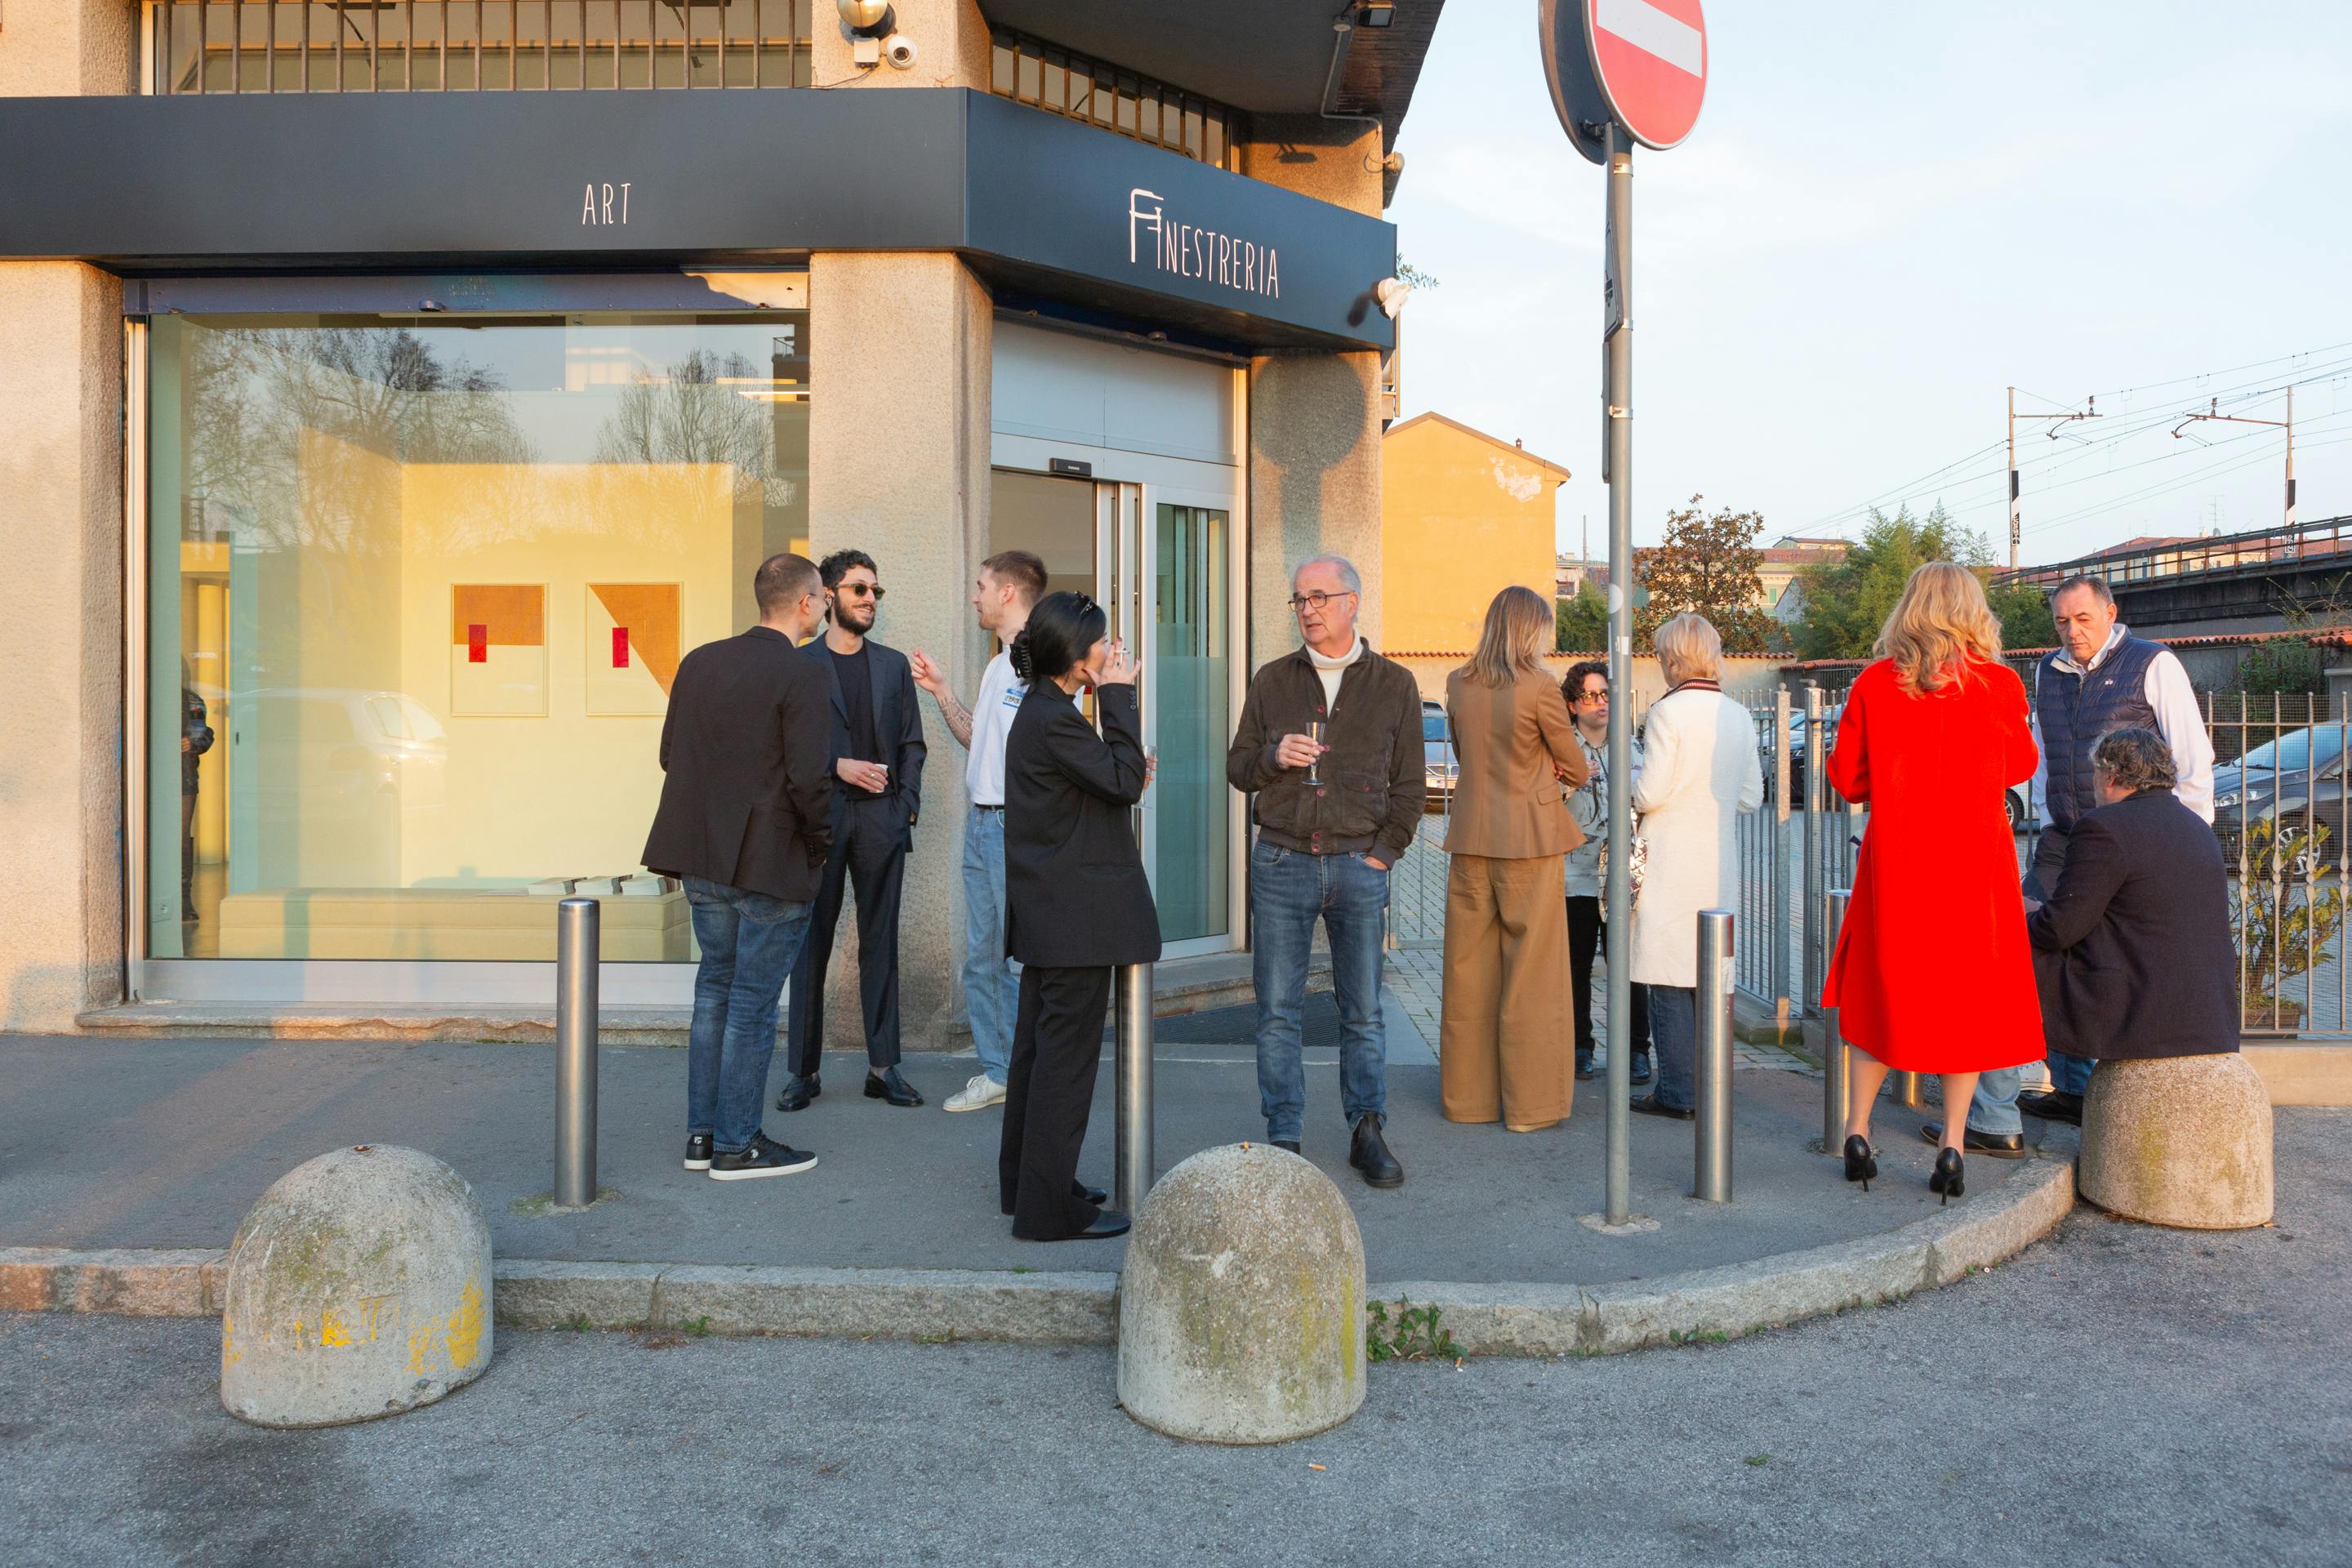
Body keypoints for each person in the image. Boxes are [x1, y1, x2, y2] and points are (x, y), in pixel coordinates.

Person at [1945, 573, 2215, 1143]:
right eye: (2062, 622)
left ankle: (2075, 1091)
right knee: (2012, 946)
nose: (2072, 632)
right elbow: (2043, 754)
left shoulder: (2154, 663)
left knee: (2092, 950)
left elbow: (2193, 759)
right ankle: (2020, 1106)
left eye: (2083, 619)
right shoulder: (2048, 671)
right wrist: (2048, 816)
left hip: (2132, 840)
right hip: (2065, 837)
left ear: (2111, 613)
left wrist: (2187, 843)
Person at [1821, 563, 2045, 1205]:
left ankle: (1857, 1130)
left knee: (1879, 991)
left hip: (1898, 862)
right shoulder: (1999, 684)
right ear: (1974, 611)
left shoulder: (1875, 682)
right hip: (1975, 865)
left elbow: (1847, 778)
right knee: (1964, 1001)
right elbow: (2023, 763)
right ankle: (1951, 1143)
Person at [1226, 554, 1423, 1187]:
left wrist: (1383, 854)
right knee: (1277, 1010)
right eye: (1299, 599)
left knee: (1362, 1010)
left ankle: (1367, 1129)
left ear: (1351, 602)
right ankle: (1284, 1136)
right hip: (1282, 860)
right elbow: (1238, 768)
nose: (1307, 610)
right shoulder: (1273, 680)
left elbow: (1411, 786)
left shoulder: (1393, 684)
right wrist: (1272, 755)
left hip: (1359, 866)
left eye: (1318, 597)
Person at [641, 551, 835, 1181]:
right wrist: (821, 842)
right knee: (751, 1002)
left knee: (714, 993)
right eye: (823, 597)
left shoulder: (699, 661)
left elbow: (670, 754)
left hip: (702, 858)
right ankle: (738, 1144)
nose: (826, 607)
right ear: (804, 603)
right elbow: (810, 780)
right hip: (769, 865)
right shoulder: (803, 673)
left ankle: (703, 1136)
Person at [1000, 592, 1159, 1241]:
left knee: (1039, 1057)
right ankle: (1046, 1212)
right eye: (1101, 642)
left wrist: (1125, 766)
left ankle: (1029, 1186)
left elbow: (1101, 786)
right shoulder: (1055, 718)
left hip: (1054, 912)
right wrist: (1118, 697)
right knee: (1063, 1066)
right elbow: (1121, 782)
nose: (1111, 651)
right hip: (1073, 918)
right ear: (1075, 655)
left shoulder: (1046, 712)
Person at [780, 549, 929, 1112]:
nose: (870, 599)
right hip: (818, 820)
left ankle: (883, 1068)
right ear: (829, 594)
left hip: (880, 822)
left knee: (880, 944)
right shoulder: (800, 663)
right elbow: (783, 748)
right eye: (860, 589)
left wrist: (905, 807)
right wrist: (836, 766)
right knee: (809, 946)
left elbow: (912, 742)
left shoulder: (892, 666)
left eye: (875, 591)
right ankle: (804, 1071)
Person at [1438, 586, 1588, 1132]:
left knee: (1467, 975)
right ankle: (1531, 1107)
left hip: (1471, 840)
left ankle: (1468, 1103)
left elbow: (1464, 753)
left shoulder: (1458, 682)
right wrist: (1548, 769)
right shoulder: (1541, 686)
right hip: (1529, 842)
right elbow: (1577, 767)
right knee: (1534, 977)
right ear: (1530, 629)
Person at [908, 550, 1050, 1115]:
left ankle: (1021, 1073)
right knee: (984, 959)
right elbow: (978, 740)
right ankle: (1002, 1071)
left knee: (1014, 959)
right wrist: (942, 691)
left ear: (1008, 592)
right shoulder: (998, 666)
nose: (975, 596)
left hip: (1014, 825)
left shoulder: (1044, 664)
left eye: (982, 586)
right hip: (982, 823)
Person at [2027, 727, 2238, 1071]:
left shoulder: (2103, 826)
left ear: (2110, 776)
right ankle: (2067, 1086)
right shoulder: (2196, 825)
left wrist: (2030, 913)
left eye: (2094, 774)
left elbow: (2060, 930)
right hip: (2207, 1015)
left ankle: (1998, 1100)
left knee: (2008, 950)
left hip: (2138, 1010)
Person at [1628, 614, 1764, 1120]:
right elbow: (1751, 797)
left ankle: (1677, 1092)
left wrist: (1628, 782)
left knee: (1665, 973)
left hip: (1669, 859)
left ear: (1673, 659)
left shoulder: (1667, 712)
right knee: (1708, 976)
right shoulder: (1738, 714)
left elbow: (1650, 793)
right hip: (1717, 861)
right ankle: (1710, 1088)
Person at [1560, 659, 1651, 1087]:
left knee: (1627, 967)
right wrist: (1568, 782)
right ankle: (1580, 1045)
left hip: (1621, 876)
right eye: (1590, 695)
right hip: (1575, 873)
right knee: (1575, 966)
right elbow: (1542, 799)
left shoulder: (1630, 746)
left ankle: (1636, 1050)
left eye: (1606, 694)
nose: (1601, 703)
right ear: (1573, 704)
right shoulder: (1561, 748)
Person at [180, 667, 214, 920]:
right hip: (148, 774)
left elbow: (203, 735)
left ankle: (183, 899)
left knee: (180, 836)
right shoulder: (143, 694)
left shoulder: (191, 700)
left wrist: (191, 743)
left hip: (183, 776)